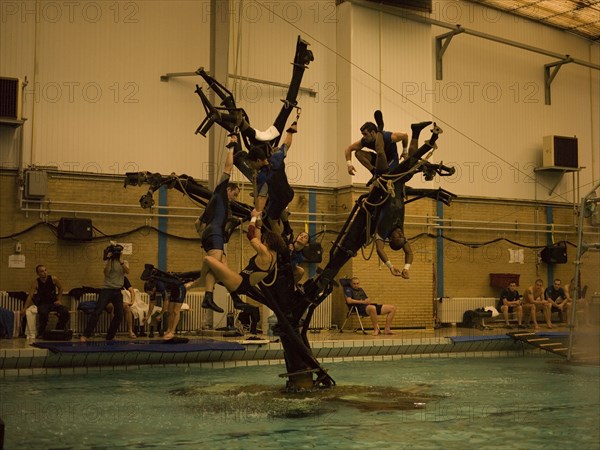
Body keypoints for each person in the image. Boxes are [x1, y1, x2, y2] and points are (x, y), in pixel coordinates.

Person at [197, 135, 241, 314]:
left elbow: (197, 222)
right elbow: (228, 167)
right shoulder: (221, 191)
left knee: (222, 266)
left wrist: (202, 236)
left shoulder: (212, 203)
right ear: (228, 189)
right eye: (235, 194)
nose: (235, 198)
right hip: (215, 233)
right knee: (216, 266)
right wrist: (232, 147)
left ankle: (227, 298)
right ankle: (202, 290)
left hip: (209, 233)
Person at [203, 209, 288, 300]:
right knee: (222, 258)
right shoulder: (272, 256)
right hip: (243, 285)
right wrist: (258, 225)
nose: (262, 242)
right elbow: (257, 237)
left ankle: (207, 294)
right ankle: (235, 299)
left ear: (268, 242)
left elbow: (250, 235)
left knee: (208, 259)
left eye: (264, 240)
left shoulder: (265, 252)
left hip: (239, 283)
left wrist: (253, 217)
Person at [247, 121, 297, 236]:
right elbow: (286, 145)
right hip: (289, 193)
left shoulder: (263, 176)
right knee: (279, 206)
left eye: (251, 164)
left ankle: (279, 241)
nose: (251, 166)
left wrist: (256, 216)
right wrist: (290, 132)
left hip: (278, 199)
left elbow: (262, 197)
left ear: (258, 160)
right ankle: (287, 227)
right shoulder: (277, 157)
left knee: (271, 218)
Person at [80, 244, 129, 342]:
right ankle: (86, 335)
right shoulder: (109, 261)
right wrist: (110, 260)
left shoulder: (124, 262)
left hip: (117, 290)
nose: (117, 254)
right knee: (97, 312)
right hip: (107, 290)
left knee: (119, 314)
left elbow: (127, 271)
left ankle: (110, 336)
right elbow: (106, 273)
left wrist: (121, 261)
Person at [21, 265, 69, 339]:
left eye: (45, 270)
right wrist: (24, 308)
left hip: (54, 303)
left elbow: (61, 288)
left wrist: (59, 299)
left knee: (65, 311)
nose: (44, 272)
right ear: (38, 273)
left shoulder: (53, 279)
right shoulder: (36, 282)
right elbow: (30, 296)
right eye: (42, 271)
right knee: (43, 313)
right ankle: (41, 332)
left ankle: (59, 329)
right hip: (43, 304)